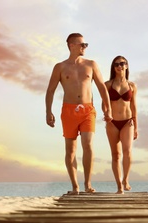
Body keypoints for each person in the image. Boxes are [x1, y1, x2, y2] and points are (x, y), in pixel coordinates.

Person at [45, 33, 113, 195]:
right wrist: (48, 111)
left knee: (88, 144)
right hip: (68, 110)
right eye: (82, 44)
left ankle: (88, 184)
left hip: (87, 109)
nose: (85, 47)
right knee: (71, 150)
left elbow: (102, 87)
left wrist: (107, 108)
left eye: (85, 45)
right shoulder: (60, 67)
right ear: (71, 45)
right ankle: (75, 186)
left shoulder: (91, 64)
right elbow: (50, 90)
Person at [104, 56, 138, 194]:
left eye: (123, 63)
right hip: (112, 123)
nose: (120, 66)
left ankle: (126, 179)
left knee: (127, 151)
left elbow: (134, 106)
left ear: (127, 66)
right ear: (114, 67)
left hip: (127, 122)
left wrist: (136, 126)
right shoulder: (107, 85)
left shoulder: (132, 86)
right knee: (116, 155)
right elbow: (104, 104)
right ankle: (119, 186)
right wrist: (107, 113)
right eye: (117, 64)